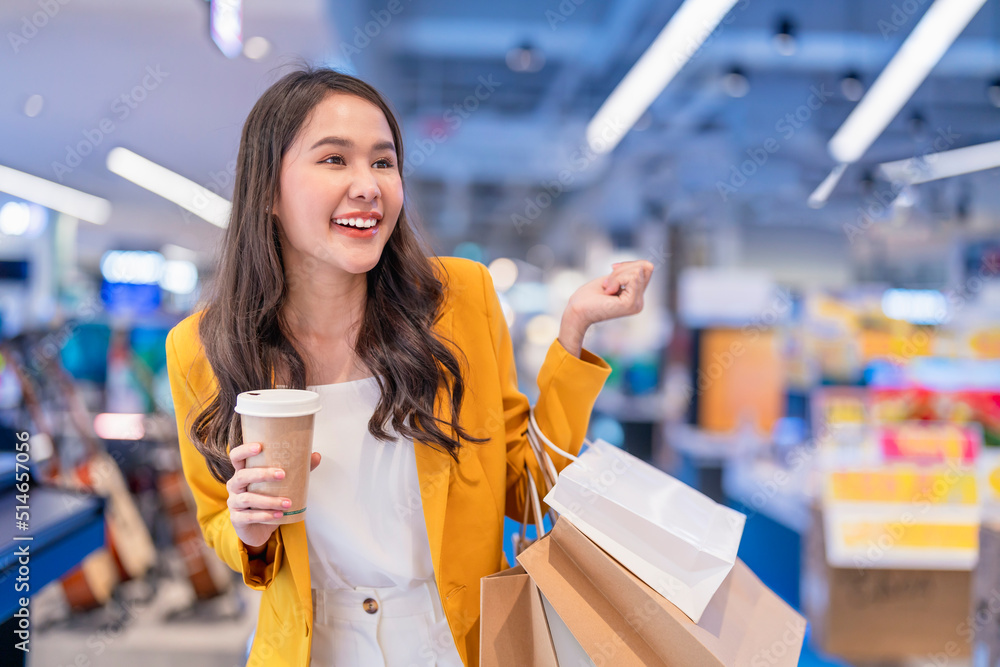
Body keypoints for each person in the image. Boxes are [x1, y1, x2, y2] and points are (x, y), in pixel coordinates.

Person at [165, 67, 653, 667]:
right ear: (268, 190)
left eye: (383, 162)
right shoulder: (205, 347)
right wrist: (247, 531)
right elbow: (217, 514)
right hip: (313, 649)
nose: (368, 185)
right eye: (334, 160)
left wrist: (573, 337)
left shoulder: (459, 301)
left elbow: (529, 492)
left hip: (456, 643)